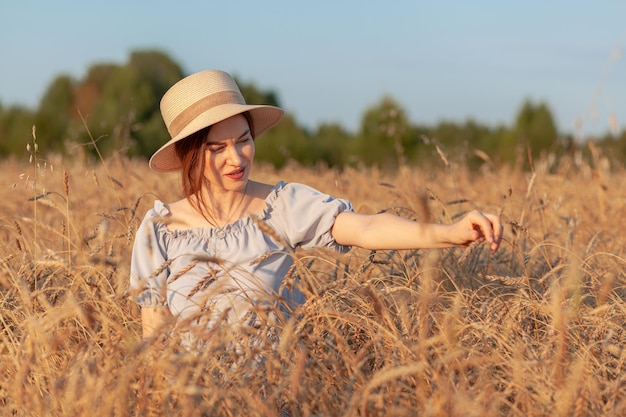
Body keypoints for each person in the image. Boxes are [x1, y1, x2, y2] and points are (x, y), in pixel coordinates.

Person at [129, 70, 503, 346]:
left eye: (244, 140)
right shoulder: (159, 229)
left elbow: (365, 229)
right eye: (217, 148)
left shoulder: (282, 205)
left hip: (278, 398)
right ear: (190, 155)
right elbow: (155, 336)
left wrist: (449, 233)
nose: (236, 157)